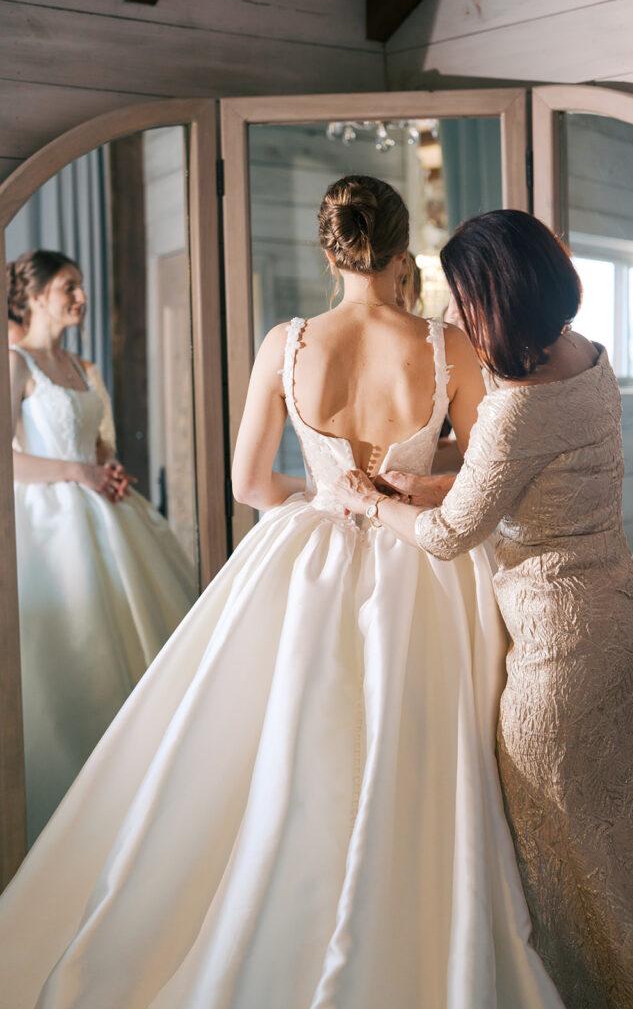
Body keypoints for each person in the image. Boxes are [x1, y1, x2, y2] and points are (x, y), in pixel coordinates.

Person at [0, 184, 564, 1009]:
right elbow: (479, 484)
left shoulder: (287, 343)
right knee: (424, 748)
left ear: (326, 251)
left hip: (309, 559)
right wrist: (402, 491)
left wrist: (332, 492)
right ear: (403, 252)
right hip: (425, 570)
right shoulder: (449, 344)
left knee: (297, 749)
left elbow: (252, 484)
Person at [335, 210, 633, 1009]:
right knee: (628, 850)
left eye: (459, 300)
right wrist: (435, 481)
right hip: (616, 618)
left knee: (560, 861)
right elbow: (538, 476)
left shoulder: (514, 409)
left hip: (556, 653)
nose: (448, 316)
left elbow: (447, 536)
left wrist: (368, 505)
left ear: (493, 300)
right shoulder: (587, 358)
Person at [7, 249, 196, 843]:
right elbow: (9, 461)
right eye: (69, 287)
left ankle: (149, 792)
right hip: (51, 522)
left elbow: (102, 443)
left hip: (111, 513)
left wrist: (107, 469)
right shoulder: (16, 364)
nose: (80, 297)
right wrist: (79, 473)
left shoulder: (84, 368)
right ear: (35, 296)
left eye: (82, 286)